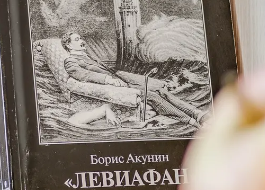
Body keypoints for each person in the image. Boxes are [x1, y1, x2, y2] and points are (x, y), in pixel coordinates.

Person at [60, 31, 207, 127]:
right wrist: (107, 80)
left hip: (120, 80)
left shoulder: (88, 57)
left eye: (81, 38)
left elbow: (111, 71)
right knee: (152, 96)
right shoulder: (70, 61)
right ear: (68, 45)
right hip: (112, 86)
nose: (82, 41)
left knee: (161, 91)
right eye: (77, 39)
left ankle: (197, 114)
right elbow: (82, 75)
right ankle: (190, 121)